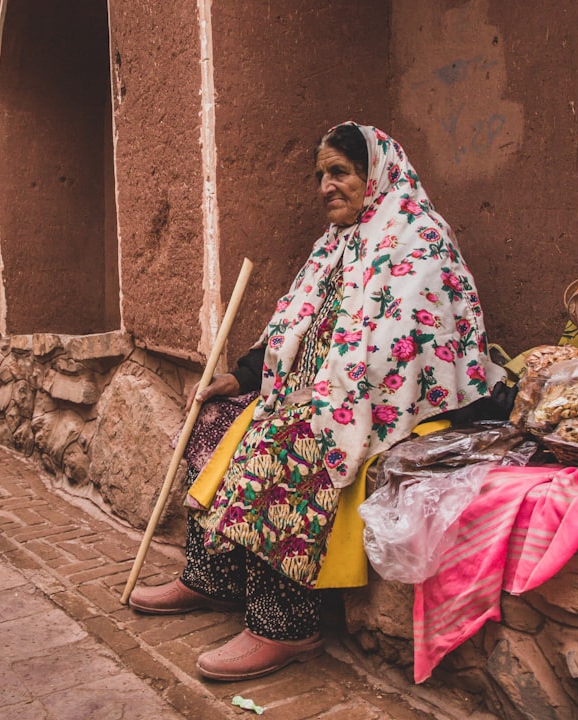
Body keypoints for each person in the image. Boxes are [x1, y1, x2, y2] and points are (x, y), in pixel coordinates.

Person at [128, 121, 501, 681]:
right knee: (217, 418)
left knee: (294, 439)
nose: (326, 185)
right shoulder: (333, 245)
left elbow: (401, 353)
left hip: (400, 404)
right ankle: (212, 577)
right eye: (321, 175)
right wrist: (243, 377)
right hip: (316, 389)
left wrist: (325, 399)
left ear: (374, 174)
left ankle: (284, 624)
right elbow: (295, 328)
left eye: (340, 172)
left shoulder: (416, 238)